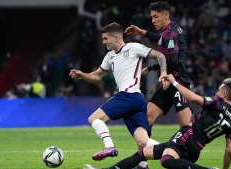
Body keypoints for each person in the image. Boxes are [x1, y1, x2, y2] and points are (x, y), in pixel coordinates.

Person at [83, 76, 231, 169]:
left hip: (187, 135)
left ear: (224, 93)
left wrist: (175, 83)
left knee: (166, 160)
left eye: (219, 90)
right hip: (196, 149)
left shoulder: (217, 102)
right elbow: (230, 150)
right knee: (142, 153)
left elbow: (193, 98)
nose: (216, 93)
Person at [70, 22, 168, 161]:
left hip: (129, 96)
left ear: (116, 37)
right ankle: (175, 150)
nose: (103, 42)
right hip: (137, 101)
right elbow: (97, 76)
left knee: (94, 119)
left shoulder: (133, 47)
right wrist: (83, 75)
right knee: (143, 142)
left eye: (105, 38)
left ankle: (109, 147)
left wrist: (163, 72)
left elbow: (160, 55)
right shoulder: (110, 56)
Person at [124, 1, 193, 128]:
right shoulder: (169, 30)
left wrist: (153, 68)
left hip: (178, 83)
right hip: (168, 80)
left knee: (186, 128)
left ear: (166, 15)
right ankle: (145, 148)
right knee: (147, 119)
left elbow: (172, 61)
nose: (153, 20)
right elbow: (162, 40)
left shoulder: (171, 33)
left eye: (156, 17)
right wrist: (142, 32)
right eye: (152, 17)